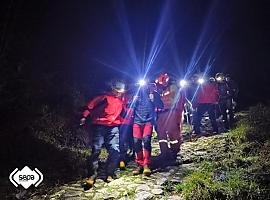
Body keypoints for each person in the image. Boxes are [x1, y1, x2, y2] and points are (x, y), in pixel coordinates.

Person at [79, 81, 126, 189]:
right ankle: (92, 175)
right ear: (113, 88)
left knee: (115, 150)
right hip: (99, 125)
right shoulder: (103, 97)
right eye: (117, 91)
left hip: (113, 127)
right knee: (96, 149)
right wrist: (84, 117)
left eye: (121, 92)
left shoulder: (121, 101)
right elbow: (90, 107)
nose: (119, 93)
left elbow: (124, 112)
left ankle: (110, 173)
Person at [129, 81, 163, 176]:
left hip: (148, 121)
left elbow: (161, 105)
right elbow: (128, 105)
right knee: (136, 142)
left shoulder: (154, 94)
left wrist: (154, 100)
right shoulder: (137, 93)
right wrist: (133, 101)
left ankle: (146, 165)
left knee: (147, 141)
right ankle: (139, 164)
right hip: (137, 121)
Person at [155, 73, 186, 166]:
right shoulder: (157, 89)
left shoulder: (173, 87)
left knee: (173, 133)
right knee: (161, 134)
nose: (162, 85)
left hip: (171, 112)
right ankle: (164, 152)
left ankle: (174, 150)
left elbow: (175, 99)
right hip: (160, 114)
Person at [119, 92, 134, 170]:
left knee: (132, 141)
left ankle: (132, 155)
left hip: (132, 123)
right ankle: (122, 159)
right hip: (123, 123)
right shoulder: (122, 98)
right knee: (122, 141)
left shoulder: (134, 98)